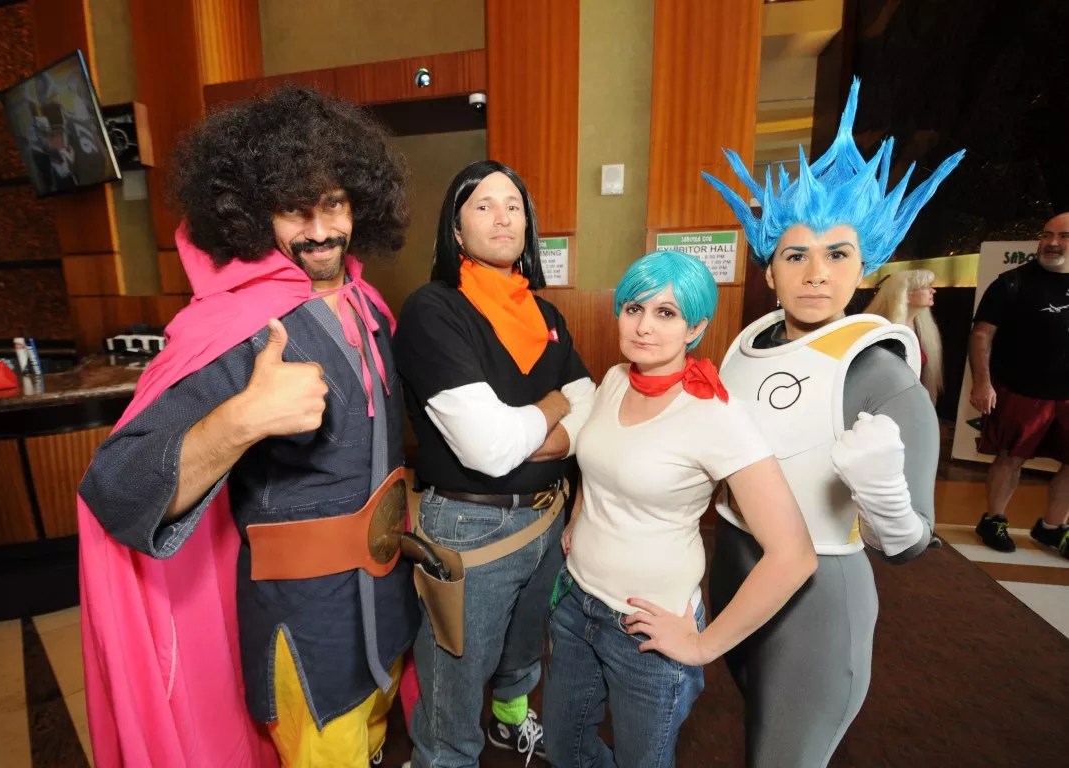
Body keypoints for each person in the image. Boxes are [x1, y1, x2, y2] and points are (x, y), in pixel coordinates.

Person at [77, 86, 418, 768]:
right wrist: (240, 420)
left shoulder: (370, 303)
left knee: (378, 742)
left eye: (334, 203)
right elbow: (117, 487)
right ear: (253, 215)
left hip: (389, 600)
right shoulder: (235, 330)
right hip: (308, 621)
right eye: (294, 209)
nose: (319, 230)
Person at [701, 77, 961, 767]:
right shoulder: (745, 347)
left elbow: (910, 545)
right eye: (796, 255)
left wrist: (885, 498)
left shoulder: (878, 372)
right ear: (770, 272)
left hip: (818, 596)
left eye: (837, 254)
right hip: (735, 570)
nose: (816, 273)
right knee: (757, 729)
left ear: (863, 265)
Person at [542, 250, 817, 768]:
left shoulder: (716, 415)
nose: (644, 326)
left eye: (666, 313)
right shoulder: (616, 378)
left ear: (696, 327)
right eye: (634, 308)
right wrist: (579, 516)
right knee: (565, 749)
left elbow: (794, 555)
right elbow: (599, 464)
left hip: (647, 629)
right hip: (576, 601)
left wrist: (702, 647)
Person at [395, 160, 595, 767]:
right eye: (483, 205)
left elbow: (591, 403)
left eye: (514, 206)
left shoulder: (546, 315)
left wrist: (541, 435)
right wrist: (556, 406)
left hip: (547, 517)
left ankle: (510, 722)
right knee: (453, 692)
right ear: (456, 230)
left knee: (524, 651)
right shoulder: (434, 310)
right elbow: (488, 450)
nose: (503, 217)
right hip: (470, 527)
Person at [969, 212, 1069, 557]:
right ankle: (993, 520)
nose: (1052, 243)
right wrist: (982, 382)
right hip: (1022, 391)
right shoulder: (1012, 283)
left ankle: (1052, 529)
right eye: (1047, 234)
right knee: (1010, 458)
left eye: (1064, 236)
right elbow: (981, 334)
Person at [866, 269, 943, 404]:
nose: (933, 291)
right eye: (925, 287)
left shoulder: (923, 330)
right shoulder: (881, 333)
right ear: (906, 294)